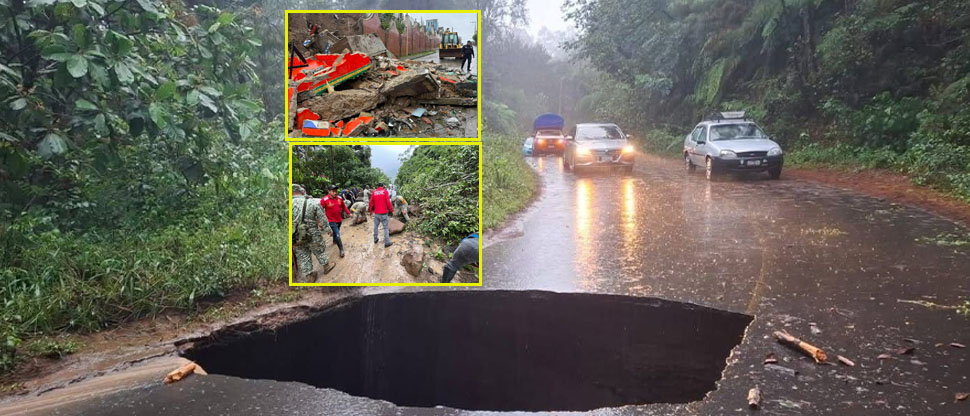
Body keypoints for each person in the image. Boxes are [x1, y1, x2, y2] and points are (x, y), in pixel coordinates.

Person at [292, 184, 334, 282]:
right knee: (319, 250)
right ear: (302, 191)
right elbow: (322, 218)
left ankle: (309, 276)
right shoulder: (312, 202)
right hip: (312, 233)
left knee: (303, 255)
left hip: (295, 235)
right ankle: (326, 266)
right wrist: (328, 230)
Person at [321, 185, 351, 258]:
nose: (335, 193)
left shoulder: (339, 198)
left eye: (336, 191)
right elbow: (319, 211)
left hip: (339, 219)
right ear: (329, 191)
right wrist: (320, 221)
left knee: (336, 231)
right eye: (333, 191)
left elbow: (343, 206)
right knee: (337, 234)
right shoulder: (324, 200)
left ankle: (334, 240)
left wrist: (349, 213)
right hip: (331, 220)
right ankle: (341, 249)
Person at [369, 182, 394, 247]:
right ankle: (387, 242)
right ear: (383, 186)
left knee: (375, 226)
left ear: (377, 186)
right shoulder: (385, 191)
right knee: (386, 227)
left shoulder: (374, 192)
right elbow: (388, 202)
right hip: (384, 213)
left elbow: (371, 202)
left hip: (376, 213)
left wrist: (370, 211)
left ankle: (375, 239)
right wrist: (392, 210)